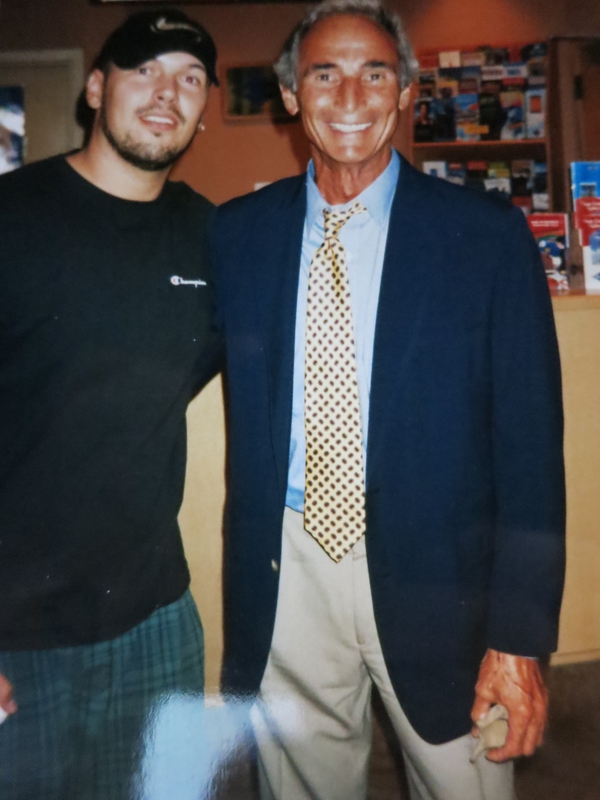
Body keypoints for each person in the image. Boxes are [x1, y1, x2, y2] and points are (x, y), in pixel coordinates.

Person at [210, 1, 565, 799]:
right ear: (291, 95)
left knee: (463, 782)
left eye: (375, 73)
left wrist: (518, 639)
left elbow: (531, 451)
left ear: (406, 91)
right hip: (287, 562)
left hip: (444, 573)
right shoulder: (239, 235)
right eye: (324, 74)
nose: (349, 97)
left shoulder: (485, 236)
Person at [0, 9, 220, 798]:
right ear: (96, 88)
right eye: (144, 70)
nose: (168, 93)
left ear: (205, 108)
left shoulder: (209, 236)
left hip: (155, 614)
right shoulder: (11, 216)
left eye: (190, 78)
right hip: (15, 633)